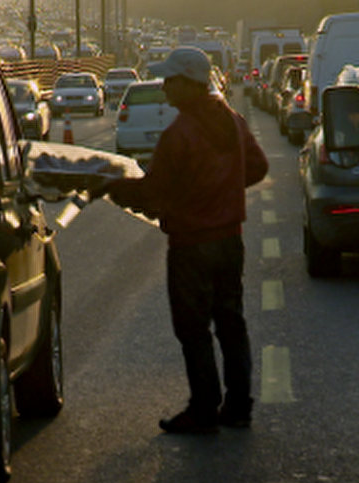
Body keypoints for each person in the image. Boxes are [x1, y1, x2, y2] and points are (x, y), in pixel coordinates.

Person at [92, 46, 269, 434]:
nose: (165, 86)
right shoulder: (233, 121)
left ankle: (203, 409)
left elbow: (152, 193)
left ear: (191, 85)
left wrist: (107, 186)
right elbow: (258, 166)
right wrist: (224, 191)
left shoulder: (180, 133)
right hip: (229, 240)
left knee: (193, 329)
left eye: (172, 80)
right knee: (231, 322)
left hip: (191, 245)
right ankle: (239, 406)